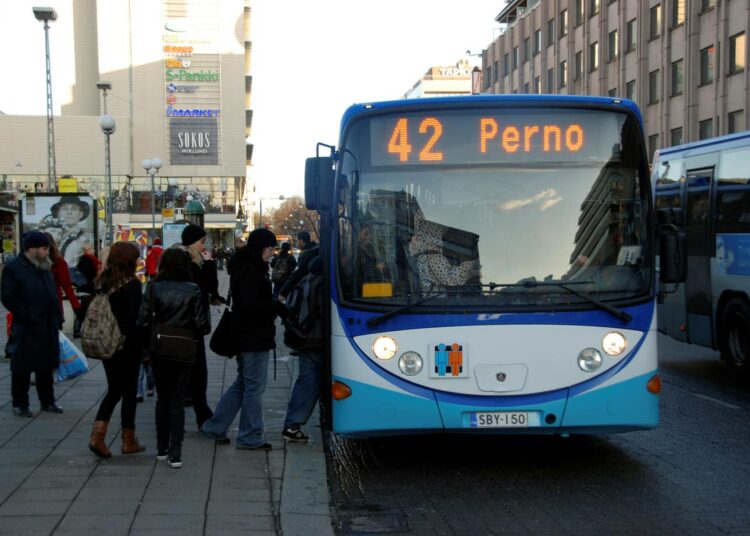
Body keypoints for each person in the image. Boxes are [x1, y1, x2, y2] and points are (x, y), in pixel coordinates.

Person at [199, 228, 287, 450]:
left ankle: (215, 426)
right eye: (269, 248)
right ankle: (249, 435)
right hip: (253, 336)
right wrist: (276, 306)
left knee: (243, 384)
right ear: (259, 248)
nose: (271, 253)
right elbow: (250, 305)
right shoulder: (252, 271)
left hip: (246, 334)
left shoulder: (246, 267)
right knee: (253, 388)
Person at [138, 249, 210, 468]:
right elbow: (202, 325)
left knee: (163, 398)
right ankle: (175, 452)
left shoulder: (153, 288)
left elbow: (142, 319)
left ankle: (162, 447)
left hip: (160, 347)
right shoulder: (193, 290)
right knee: (178, 400)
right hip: (184, 347)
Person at [87, 242, 146, 458]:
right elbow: (133, 320)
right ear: (128, 260)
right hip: (126, 345)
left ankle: (112, 437)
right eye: (136, 258)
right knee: (123, 391)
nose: (139, 261)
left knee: (118, 389)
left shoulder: (103, 280)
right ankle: (112, 439)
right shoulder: (131, 285)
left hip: (107, 341)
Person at [1, 232, 64, 417]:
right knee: (22, 366)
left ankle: (48, 401)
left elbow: (52, 294)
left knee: (46, 365)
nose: (47, 252)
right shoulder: (15, 268)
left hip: (48, 323)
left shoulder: (44, 265)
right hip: (28, 325)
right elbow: (8, 297)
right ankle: (20, 403)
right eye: (44, 248)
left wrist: (58, 317)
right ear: (32, 249)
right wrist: (28, 315)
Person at [181, 223, 221, 429]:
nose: (203, 245)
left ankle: (192, 407)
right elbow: (209, 287)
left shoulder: (178, 261)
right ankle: (202, 414)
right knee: (198, 371)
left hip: (179, 326)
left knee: (186, 371)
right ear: (191, 242)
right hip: (192, 326)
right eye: (201, 241)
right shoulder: (193, 264)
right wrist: (210, 264)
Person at [281, 255, 324, 443]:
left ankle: (292, 425)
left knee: (306, 380)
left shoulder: (307, 279)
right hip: (317, 340)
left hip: (306, 338)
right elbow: (323, 313)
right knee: (309, 382)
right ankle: (293, 423)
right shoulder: (322, 283)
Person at [36, 195, 94, 267]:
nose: (69, 212)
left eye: (74, 209)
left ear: (81, 214)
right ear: (58, 213)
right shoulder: (53, 237)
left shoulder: (87, 238)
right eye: (65, 209)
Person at [44, 233, 85, 330]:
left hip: (48, 307)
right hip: (54, 305)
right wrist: (77, 308)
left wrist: (77, 309)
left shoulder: (33, 263)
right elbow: (67, 287)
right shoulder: (59, 262)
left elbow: (67, 287)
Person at [279, 231, 319, 301]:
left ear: (301, 241)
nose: (297, 243)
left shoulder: (306, 254)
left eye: (297, 241)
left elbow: (296, 274)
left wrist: (283, 292)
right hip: (315, 286)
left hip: (308, 288)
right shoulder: (316, 249)